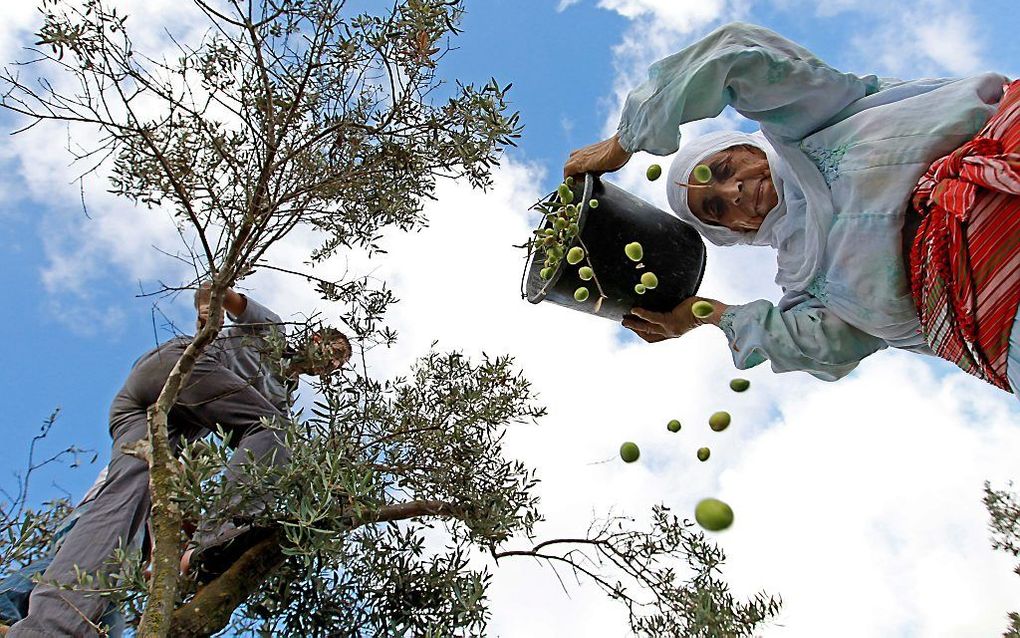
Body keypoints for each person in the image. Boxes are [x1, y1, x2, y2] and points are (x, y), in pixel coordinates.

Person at [564, 22, 1019, 394]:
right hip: (1003, 323)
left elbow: (735, 55)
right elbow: (830, 349)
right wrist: (707, 314)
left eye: (722, 169)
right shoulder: (806, 282)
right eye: (716, 210)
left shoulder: (816, 122)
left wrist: (625, 141)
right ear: (735, 234)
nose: (732, 193)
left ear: (751, 149)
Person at [7, 286, 351, 637]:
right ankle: (219, 537)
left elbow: (256, 454)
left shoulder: (282, 397)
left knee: (122, 508)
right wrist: (208, 311)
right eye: (333, 351)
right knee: (278, 432)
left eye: (338, 364)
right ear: (314, 336)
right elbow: (214, 290)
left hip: (162, 420)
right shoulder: (271, 328)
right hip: (177, 367)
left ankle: (48, 629)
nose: (332, 363)